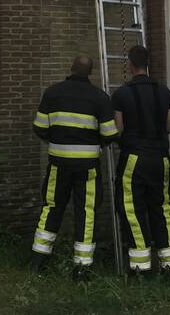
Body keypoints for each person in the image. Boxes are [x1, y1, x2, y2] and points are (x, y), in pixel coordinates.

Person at [30, 55, 118, 280]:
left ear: (71, 69)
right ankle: (82, 268)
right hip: (87, 167)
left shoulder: (52, 92)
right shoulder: (100, 97)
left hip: (58, 164)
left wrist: (57, 139)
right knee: (86, 213)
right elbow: (109, 134)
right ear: (90, 72)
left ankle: (38, 262)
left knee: (51, 208)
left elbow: (40, 127)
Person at [110, 45, 170, 276]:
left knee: (133, 210)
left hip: (134, 159)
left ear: (130, 65)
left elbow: (118, 130)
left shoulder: (121, 94)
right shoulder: (163, 91)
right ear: (147, 64)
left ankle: (141, 269)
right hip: (160, 159)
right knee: (162, 208)